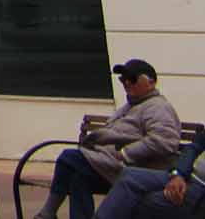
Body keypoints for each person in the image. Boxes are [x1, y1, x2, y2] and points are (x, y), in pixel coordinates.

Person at [36, 61, 184, 219]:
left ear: (151, 82)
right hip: (108, 165)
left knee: (69, 158)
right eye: (123, 79)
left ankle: (47, 213)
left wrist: (125, 153)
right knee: (77, 178)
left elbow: (164, 141)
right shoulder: (131, 106)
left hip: (132, 169)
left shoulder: (158, 107)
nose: (126, 83)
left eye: (132, 79)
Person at [96, 126, 205, 219]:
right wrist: (178, 174)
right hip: (187, 176)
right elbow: (194, 147)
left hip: (199, 192)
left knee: (141, 202)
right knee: (129, 176)